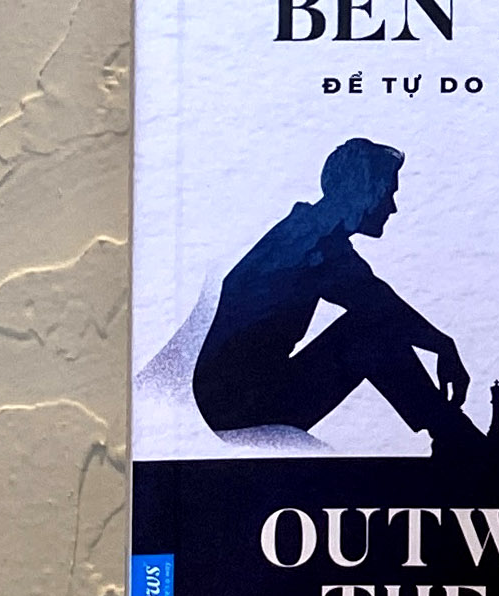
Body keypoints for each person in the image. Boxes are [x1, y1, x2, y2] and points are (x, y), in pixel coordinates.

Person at [196, 139, 478, 448]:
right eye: (389, 193)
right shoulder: (313, 243)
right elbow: (378, 304)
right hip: (238, 411)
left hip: (236, 400)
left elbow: (375, 298)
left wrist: (440, 344)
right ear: (366, 192)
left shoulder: (306, 232)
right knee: (370, 333)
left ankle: (450, 430)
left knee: (371, 328)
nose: (392, 207)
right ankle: (454, 435)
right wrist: (442, 346)